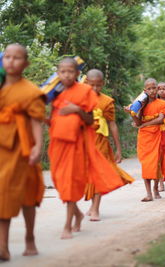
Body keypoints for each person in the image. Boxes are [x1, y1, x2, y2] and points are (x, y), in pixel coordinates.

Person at [48, 57, 123, 239]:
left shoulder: (84, 92)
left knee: (71, 181)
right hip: (58, 144)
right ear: (57, 74)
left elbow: (90, 120)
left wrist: (76, 110)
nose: (66, 75)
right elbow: (52, 118)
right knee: (59, 182)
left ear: (78, 74)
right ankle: (78, 214)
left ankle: (68, 225)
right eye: (63, 72)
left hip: (79, 143)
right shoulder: (54, 93)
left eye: (70, 71)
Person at [0, 44, 45, 260]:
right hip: (2, 149)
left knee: (27, 196)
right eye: (7, 57)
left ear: (25, 63)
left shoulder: (31, 91)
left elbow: (37, 122)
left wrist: (38, 146)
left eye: (17, 58)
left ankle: (30, 237)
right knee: (2, 194)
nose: (11, 61)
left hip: (23, 148)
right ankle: (3, 246)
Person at [84, 69, 134, 221]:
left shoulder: (106, 101)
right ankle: (92, 205)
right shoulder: (80, 99)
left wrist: (118, 148)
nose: (95, 89)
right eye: (92, 85)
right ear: (86, 83)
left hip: (101, 142)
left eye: (98, 85)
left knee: (99, 173)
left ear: (102, 84)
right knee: (89, 175)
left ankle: (95, 208)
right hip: (85, 141)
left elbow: (112, 125)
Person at [126, 78, 165, 201]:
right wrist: (132, 113)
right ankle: (148, 193)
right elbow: (138, 122)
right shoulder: (142, 105)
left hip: (157, 136)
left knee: (156, 163)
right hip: (145, 138)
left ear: (157, 89)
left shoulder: (163, 104)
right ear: (145, 90)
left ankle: (156, 188)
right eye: (149, 89)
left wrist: (145, 124)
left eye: (154, 88)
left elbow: (161, 119)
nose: (152, 91)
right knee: (146, 164)